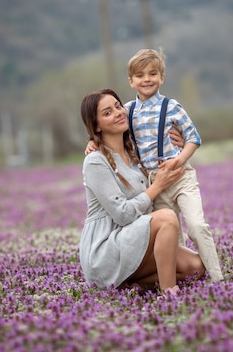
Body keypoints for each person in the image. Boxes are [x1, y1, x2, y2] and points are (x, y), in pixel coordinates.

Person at [86, 48, 224, 282]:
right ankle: (168, 285)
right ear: (131, 81)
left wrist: (179, 158)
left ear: (162, 77)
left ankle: (217, 278)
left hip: (177, 174)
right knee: (171, 230)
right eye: (140, 75)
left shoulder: (168, 107)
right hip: (152, 183)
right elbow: (104, 129)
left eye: (152, 74)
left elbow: (193, 137)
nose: (147, 79)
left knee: (196, 228)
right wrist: (91, 143)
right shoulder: (127, 113)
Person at [79, 88, 205, 296]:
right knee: (166, 218)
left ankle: (128, 285)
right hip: (105, 251)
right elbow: (122, 214)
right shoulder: (95, 161)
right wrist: (158, 186)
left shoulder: (134, 153)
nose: (118, 113)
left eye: (118, 107)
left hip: (133, 242)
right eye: (107, 113)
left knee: (195, 267)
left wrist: (178, 147)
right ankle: (169, 292)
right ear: (97, 126)